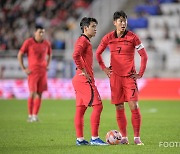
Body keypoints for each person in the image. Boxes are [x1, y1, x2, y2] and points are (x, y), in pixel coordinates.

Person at [96, 11, 148, 145]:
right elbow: (98, 53)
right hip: (115, 78)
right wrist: (105, 68)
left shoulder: (133, 37)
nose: (123, 23)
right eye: (120, 21)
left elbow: (144, 55)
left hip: (130, 77)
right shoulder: (108, 37)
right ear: (115, 23)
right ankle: (124, 137)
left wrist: (140, 73)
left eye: (125, 21)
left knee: (134, 105)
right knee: (119, 107)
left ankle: (137, 138)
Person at [72, 17, 107, 146]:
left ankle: (80, 140)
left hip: (78, 78)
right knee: (98, 106)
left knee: (80, 111)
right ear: (86, 28)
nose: (95, 29)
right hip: (83, 79)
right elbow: (75, 55)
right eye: (93, 26)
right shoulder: (83, 41)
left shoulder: (84, 40)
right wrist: (83, 70)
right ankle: (94, 138)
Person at [17, 25, 52, 122]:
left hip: (43, 71)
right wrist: (24, 68)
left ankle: (35, 116)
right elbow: (20, 54)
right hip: (32, 71)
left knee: (40, 94)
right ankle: (29, 115)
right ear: (35, 32)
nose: (42, 34)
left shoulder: (46, 43)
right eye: (40, 32)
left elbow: (50, 54)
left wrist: (47, 64)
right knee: (32, 93)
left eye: (43, 32)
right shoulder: (28, 42)